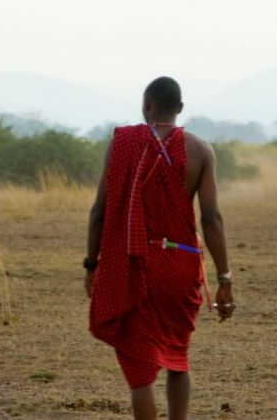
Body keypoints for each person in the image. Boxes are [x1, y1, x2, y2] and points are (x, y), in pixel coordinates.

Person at [84, 76, 235, 420]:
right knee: (177, 358)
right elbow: (211, 218)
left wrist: (91, 265)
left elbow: (99, 211)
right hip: (181, 266)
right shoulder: (201, 150)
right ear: (180, 109)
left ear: (146, 104)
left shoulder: (122, 143)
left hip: (133, 264)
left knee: (141, 372)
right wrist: (224, 278)